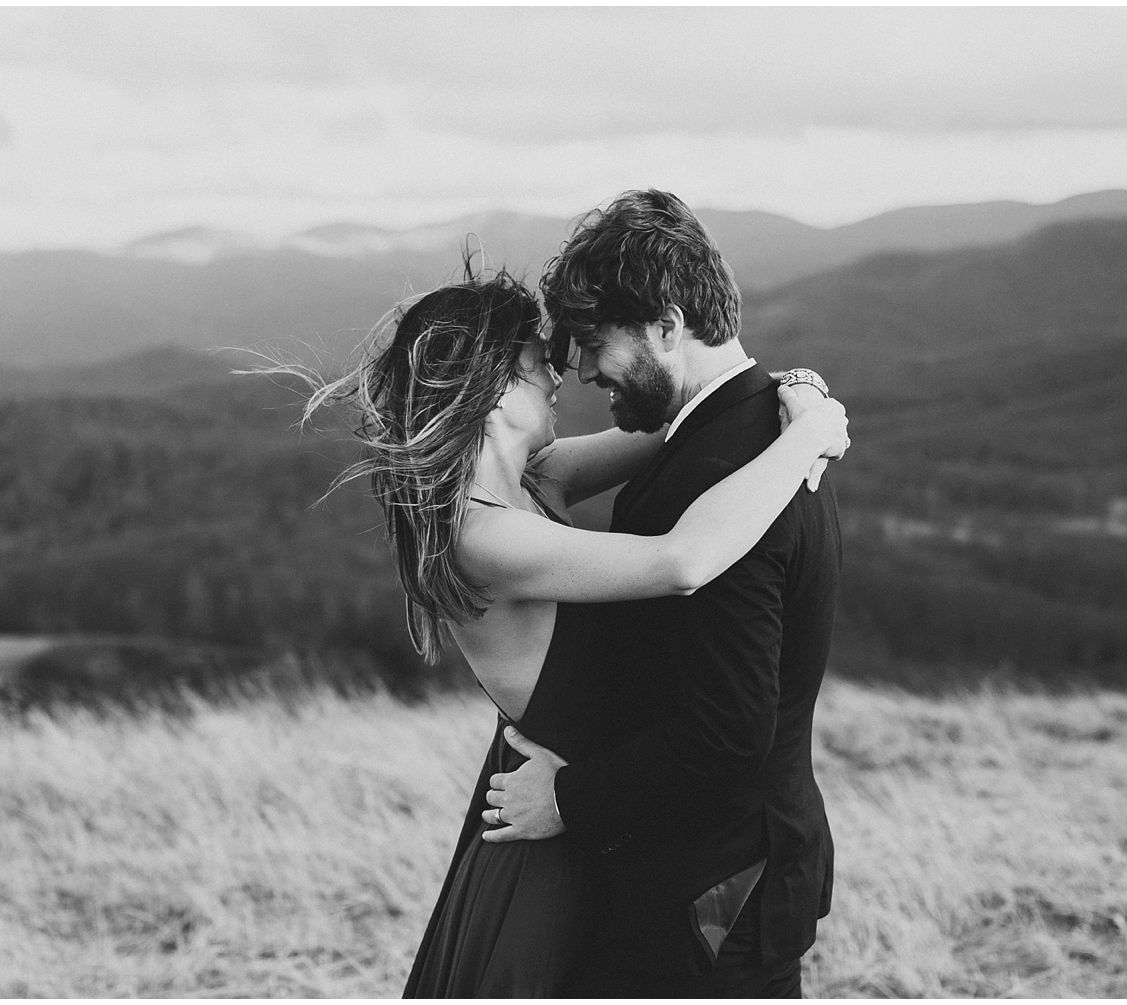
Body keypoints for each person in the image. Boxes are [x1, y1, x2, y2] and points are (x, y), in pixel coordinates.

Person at [256, 258, 848, 996]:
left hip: (600, 809)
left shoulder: (539, 478)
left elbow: (689, 427)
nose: (559, 377)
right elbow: (682, 560)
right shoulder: (479, 535)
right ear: (495, 388)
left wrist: (794, 390)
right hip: (555, 828)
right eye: (539, 364)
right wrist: (810, 436)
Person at [483, 190, 844, 996]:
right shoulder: (759, 435)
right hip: (701, 876)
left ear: (667, 326)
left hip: (711, 892)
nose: (580, 370)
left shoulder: (730, 472)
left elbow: (727, 730)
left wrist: (567, 796)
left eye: (593, 343)